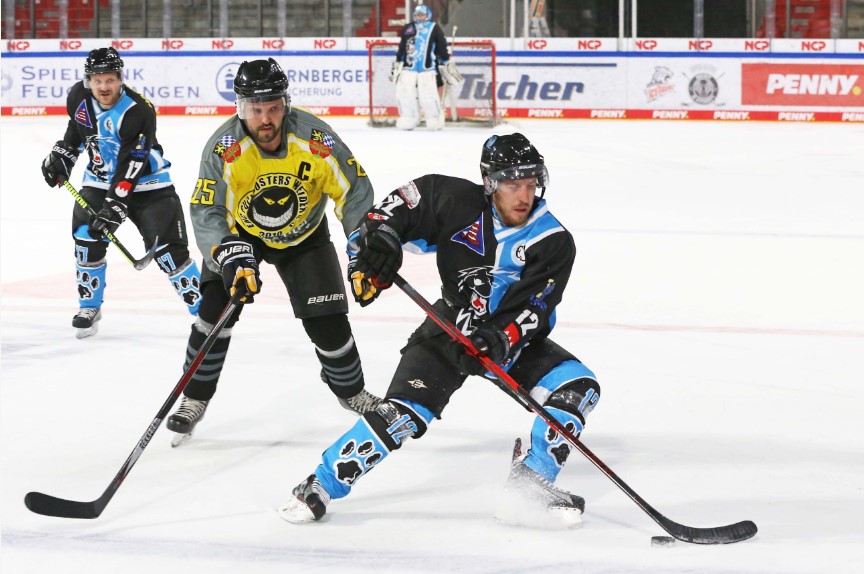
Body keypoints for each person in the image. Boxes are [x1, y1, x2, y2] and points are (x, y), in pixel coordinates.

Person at [278, 133, 601, 528]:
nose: (524, 195)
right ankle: (320, 484)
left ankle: (531, 481)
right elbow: (386, 215)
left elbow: (534, 307)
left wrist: (497, 339)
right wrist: (376, 246)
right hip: (450, 327)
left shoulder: (553, 240)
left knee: (578, 387)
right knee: (401, 416)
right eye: (513, 184)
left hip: (509, 341)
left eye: (531, 183)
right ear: (489, 183)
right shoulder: (449, 199)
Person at [166, 58, 382, 446]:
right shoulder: (224, 148)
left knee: (329, 325)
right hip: (241, 236)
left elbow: (353, 193)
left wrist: (362, 248)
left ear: (285, 104)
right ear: (240, 107)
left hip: (305, 235)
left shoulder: (316, 139)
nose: (265, 119)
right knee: (214, 313)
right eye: (255, 109)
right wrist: (228, 255)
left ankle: (350, 391)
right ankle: (194, 397)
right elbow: (207, 209)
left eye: (273, 108)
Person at [40, 47, 201, 338]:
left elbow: (132, 164)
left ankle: (205, 312)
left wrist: (115, 206)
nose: (104, 87)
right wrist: (64, 157)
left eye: (110, 80)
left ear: (120, 78)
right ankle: (89, 307)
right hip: (100, 181)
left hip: (150, 184)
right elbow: (77, 131)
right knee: (86, 237)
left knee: (169, 251)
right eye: (97, 80)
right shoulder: (79, 97)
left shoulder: (138, 110)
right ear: (88, 80)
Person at [390, 3, 461, 130]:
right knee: (405, 94)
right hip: (408, 68)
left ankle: (434, 119)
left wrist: (446, 61)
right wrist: (398, 61)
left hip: (427, 69)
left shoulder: (434, 28)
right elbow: (402, 47)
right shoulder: (408, 28)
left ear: (427, 15)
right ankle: (409, 117)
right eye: (418, 15)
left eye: (422, 15)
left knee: (428, 95)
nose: (420, 17)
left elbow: (441, 46)